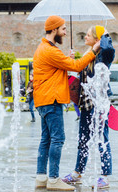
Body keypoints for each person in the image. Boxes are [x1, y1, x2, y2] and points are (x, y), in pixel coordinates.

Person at [33, 15, 101, 191]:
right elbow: (77, 66)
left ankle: (41, 177)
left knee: (45, 139)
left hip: (43, 100)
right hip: (52, 100)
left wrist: (67, 59)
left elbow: (60, 67)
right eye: (63, 29)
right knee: (57, 139)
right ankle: (54, 179)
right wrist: (93, 51)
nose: (64, 32)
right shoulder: (50, 50)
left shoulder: (44, 48)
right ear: (54, 29)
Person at [62, 25, 115, 189]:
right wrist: (71, 60)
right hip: (85, 105)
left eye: (88, 35)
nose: (85, 37)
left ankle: (105, 176)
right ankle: (77, 173)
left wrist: (103, 37)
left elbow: (109, 46)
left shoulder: (104, 56)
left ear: (96, 39)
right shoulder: (89, 55)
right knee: (83, 140)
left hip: (99, 106)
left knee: (102, 140)